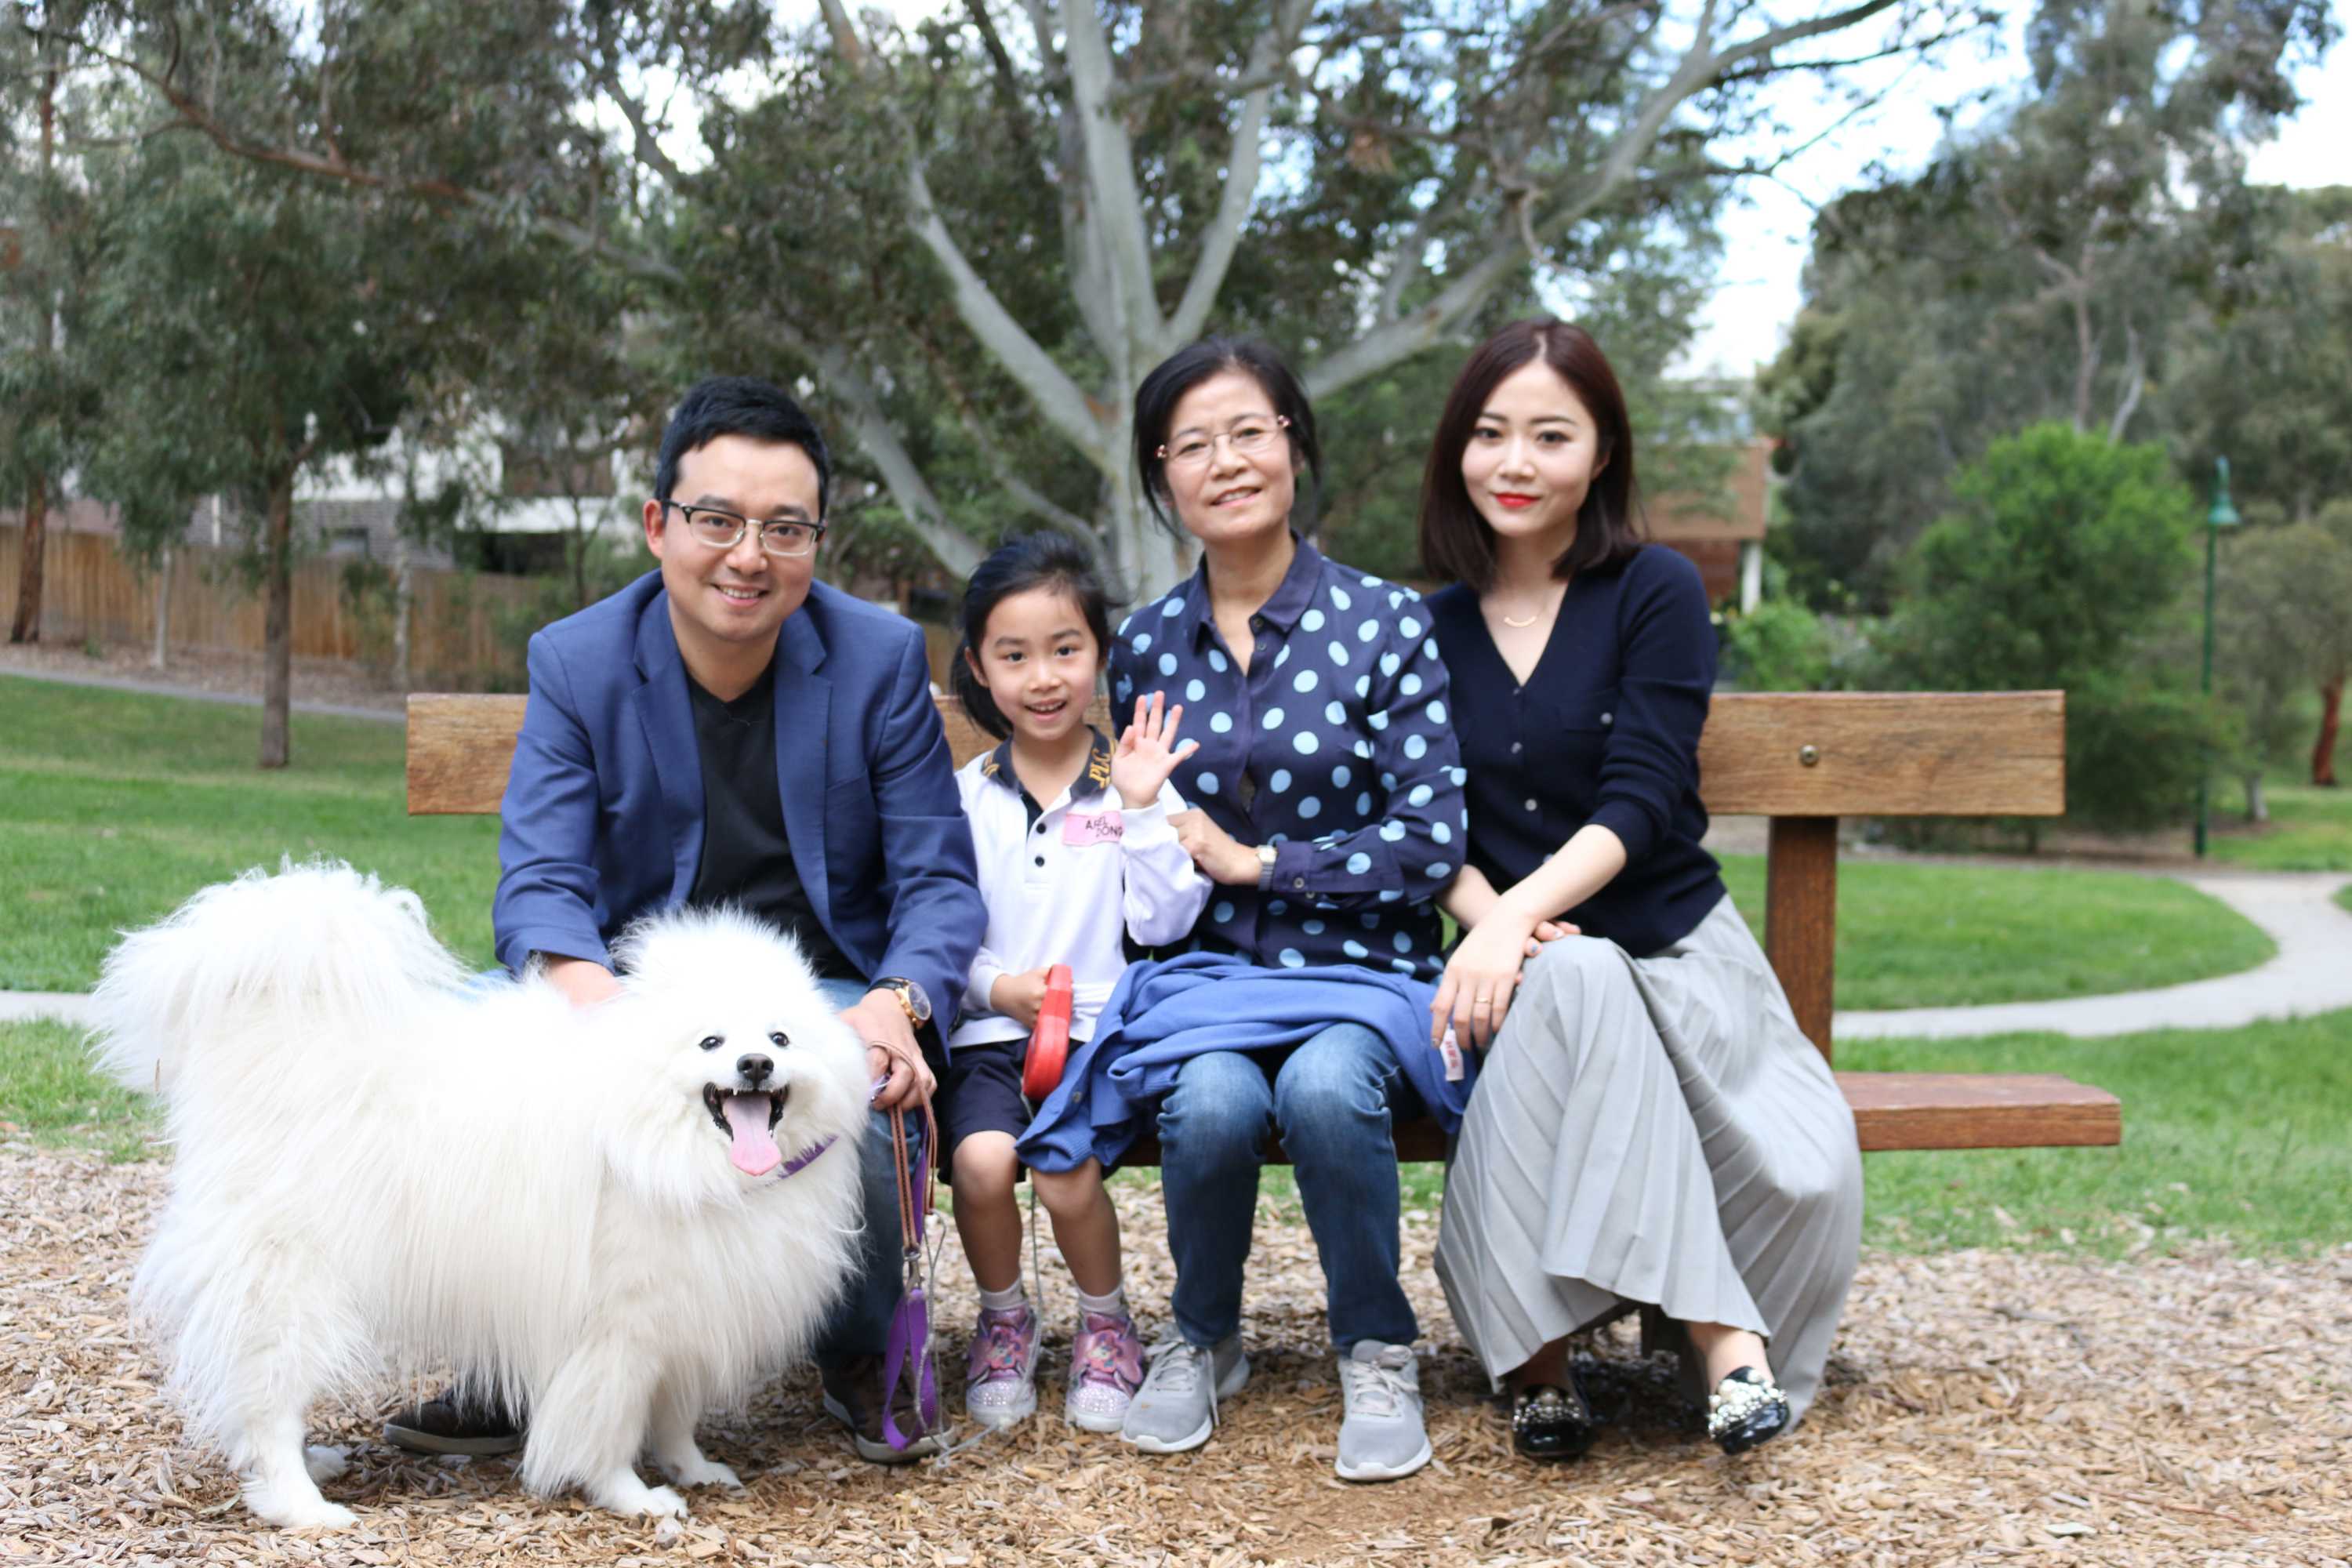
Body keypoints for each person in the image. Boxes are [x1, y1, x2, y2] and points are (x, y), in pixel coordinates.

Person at [382, 376, 985, 1465]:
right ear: (660, 524)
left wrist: (899, 1003)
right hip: (635, 989)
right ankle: (523, 1355)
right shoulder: (579, 660)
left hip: (822, 984)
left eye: (784, 527)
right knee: (473, 1057)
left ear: (816, 539)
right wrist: (597, 1013)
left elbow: (939, 880)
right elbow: (541, 883)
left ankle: (857, 1350)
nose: (748, 554)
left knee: (864, 1079)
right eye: (718, 518)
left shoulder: (879, 658)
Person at [1417, 319, 1864, 1461]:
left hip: (1676, 958)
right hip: (1519, 978)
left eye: (1550, 436)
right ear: (1458, 451)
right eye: (1490, 433)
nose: (1515, 462)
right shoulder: (1428, 629)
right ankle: (1727, 1346)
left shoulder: (1653, 589)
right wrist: (1497, 928)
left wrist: (1514, 919)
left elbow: (1644, 798)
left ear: (1604, 453)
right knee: (1574, 977)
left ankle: (1542, 1364)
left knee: (1589, 971)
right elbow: (1425, 826)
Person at [1102, 336, 1469, 1483]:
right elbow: (1135, 834)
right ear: (1164, 480)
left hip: (1363, 970)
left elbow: (1429, 839)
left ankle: (1374, 1343)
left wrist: (1260, 864)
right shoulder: (1146, 644)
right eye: (1192, 445)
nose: (1226, 461)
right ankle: (1202, 1338)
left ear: (1294, 448)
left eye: (1249, 432)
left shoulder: (1384, 623)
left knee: (1321, 1087)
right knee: (1208, 1103)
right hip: (1207, 978)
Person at [941, 532, 1211, 1433]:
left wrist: (1138, 810)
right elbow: (940, 931)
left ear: (1101, 654)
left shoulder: (1135, 783)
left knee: (1061, 1172)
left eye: (1066, 648)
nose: (1043, 676)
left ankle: (1107, 1323)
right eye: (1013, 655)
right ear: (979, 666)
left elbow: (1167, 923)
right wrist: (996, 986)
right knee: (981, 1162)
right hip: (992, 1035)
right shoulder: (963, 796)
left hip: (1104, 1036)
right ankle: (1006, 1317)